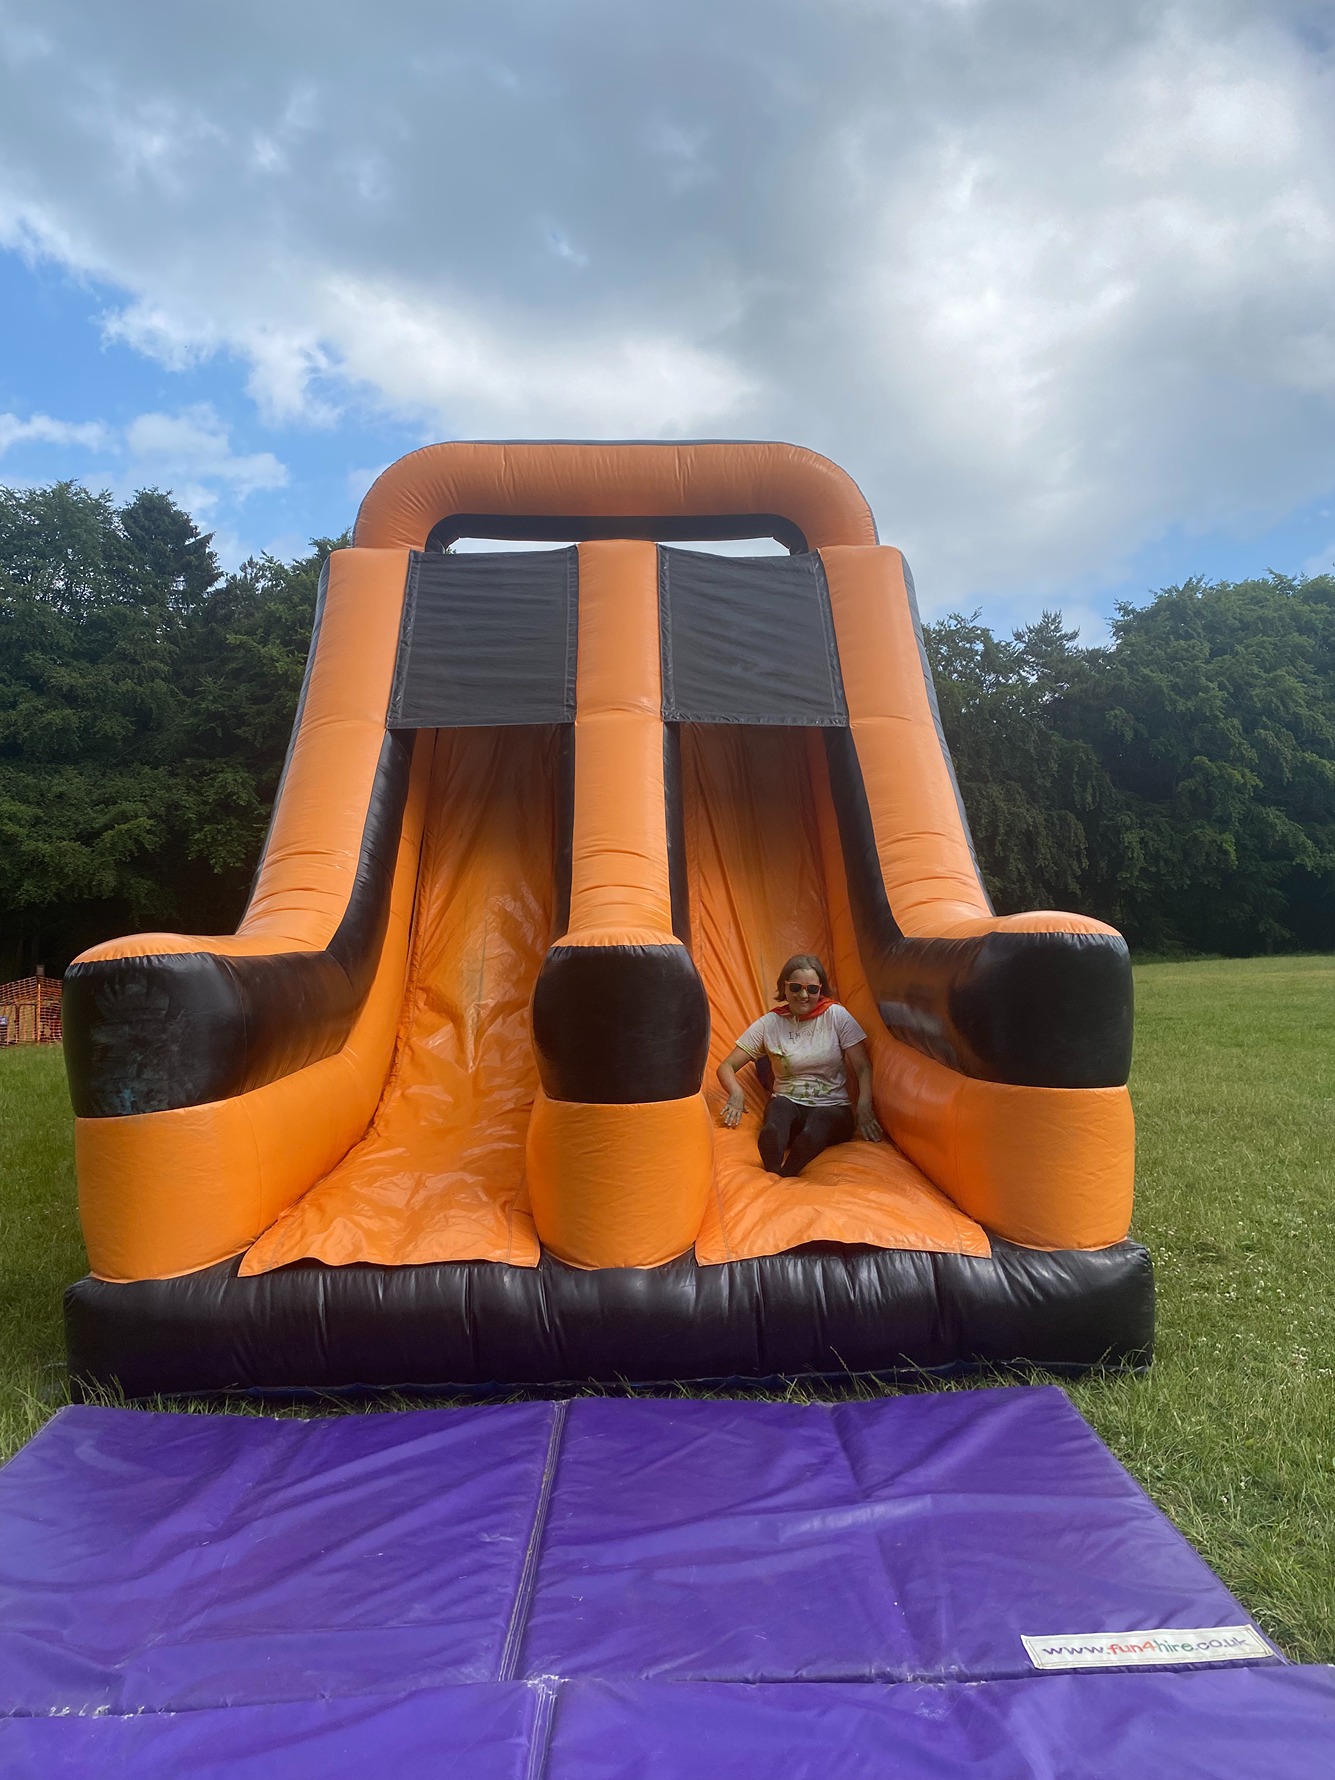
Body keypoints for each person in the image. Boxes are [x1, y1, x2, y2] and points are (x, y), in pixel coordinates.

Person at [716, 953, 884, 1176]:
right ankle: (773, 1163)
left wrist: (864, 1106)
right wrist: (736, 1094)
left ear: (820, 990)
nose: (803, 995)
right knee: (778, 1110)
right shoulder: (771, 1023)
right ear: (784, 988)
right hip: (789, 1102)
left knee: (820, 1122)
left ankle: (790, 1169)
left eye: (812, 989)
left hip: (832, 1107)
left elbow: (863, 1067)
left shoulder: (836, 1016)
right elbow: (726, 1066)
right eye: (796, 988)